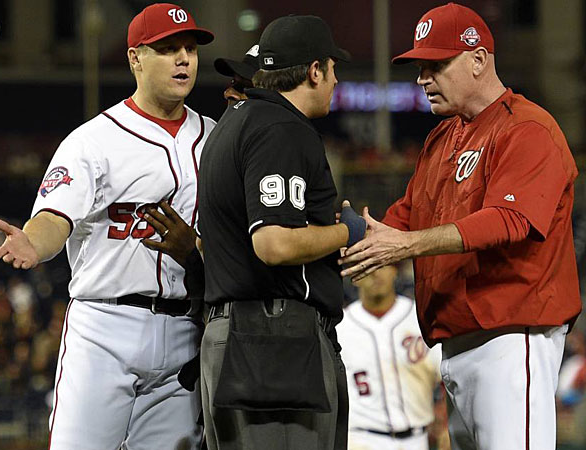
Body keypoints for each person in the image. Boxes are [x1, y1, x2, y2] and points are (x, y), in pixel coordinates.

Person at [340, 3, 582, 450]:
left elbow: (510, 220)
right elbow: (405, 216)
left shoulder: (528, 129)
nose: (422, 78)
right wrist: (337, 236)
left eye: (436, 64)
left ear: (478, 59)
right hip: (454, 348)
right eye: (420, 66)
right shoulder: (444, 137)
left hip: (510, 341)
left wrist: (407, 244)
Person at [0, 3, 215, 449]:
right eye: (168, 49)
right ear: (135, 58)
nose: (183, 59)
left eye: (189, 48)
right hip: (106, 327)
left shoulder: (215, 136)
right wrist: (35, 242)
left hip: (187, 327)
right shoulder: (94, 139)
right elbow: (55, 215)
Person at [197, 15, 366, 450]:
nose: (335, 79)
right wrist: (346, 231)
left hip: (237, 336)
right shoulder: (280, 127)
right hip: (273, 341)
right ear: (314, 70)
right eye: (332, 68)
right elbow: (273, 243)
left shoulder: (232, 125)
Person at [142, 45, 259, 244]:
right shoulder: (222, 139)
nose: (229, 93)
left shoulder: (285, 155)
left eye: (246, 87)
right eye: (233, 82)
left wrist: (193, 255)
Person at [338, 265, 444, 450]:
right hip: (361, 439)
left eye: (382, 265)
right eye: (367, 267)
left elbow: (446, 378)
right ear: (355, 277)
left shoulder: (419, 317)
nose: (376, 274)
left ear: (395, 270)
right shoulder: (341, 328)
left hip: (418, 439)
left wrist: (444, 424)